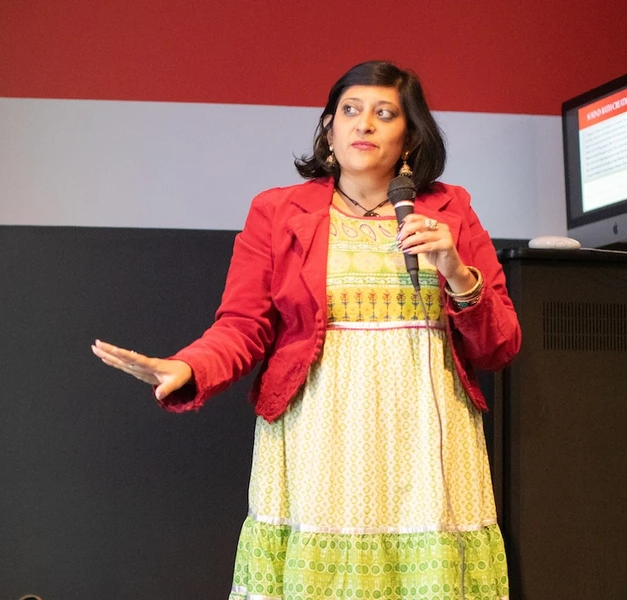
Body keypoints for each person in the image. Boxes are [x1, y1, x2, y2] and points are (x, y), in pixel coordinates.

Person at [92, 60, 520, 600]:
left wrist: (457, 272)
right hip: (319, 438)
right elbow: (244, 326)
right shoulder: (276, 211)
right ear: (328, 128)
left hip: (427, 447)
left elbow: (501, 344)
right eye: (350, 111)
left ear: (409, 136)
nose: (364, 124)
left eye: (384, 113)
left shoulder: (450, 210)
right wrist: (188, 366)